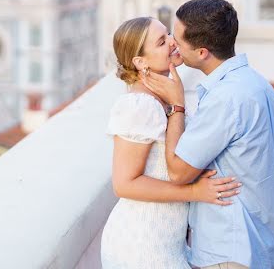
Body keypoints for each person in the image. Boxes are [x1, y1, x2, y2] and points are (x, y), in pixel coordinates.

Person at [142, 0, 274, 269]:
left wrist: (177, 105)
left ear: (202, 52)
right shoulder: (257, 83)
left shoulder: (226, 98)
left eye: (178, 39)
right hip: (258, 242)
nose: (172, 42)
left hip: (230, 250)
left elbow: (179, 172)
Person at [101, 16, 241, 269]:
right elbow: (124, 184)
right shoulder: (139, 106)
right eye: (161, 41)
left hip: (165, 241)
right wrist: (195, 192)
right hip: (140, 246)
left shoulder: (163, 99)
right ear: (140, 62)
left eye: (168, 34)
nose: (173, 42)